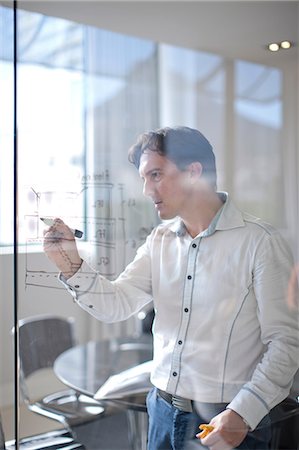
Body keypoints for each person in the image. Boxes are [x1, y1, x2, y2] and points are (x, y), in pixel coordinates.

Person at [43, 126, 299, 450]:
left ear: (193, 172)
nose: (147, 190)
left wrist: (243, 413)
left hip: (225, 422)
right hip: (161, 412)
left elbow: (287, 343)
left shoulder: (261, 242)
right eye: (144, 179)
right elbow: (117, 304)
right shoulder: (159, 240)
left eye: (155, 175)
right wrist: (70, 264)